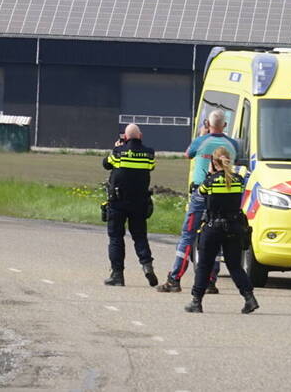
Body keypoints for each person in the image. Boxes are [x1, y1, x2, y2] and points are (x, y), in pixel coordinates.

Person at [156, 109, 239, 293]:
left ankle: (175, 278)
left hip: (201, 193)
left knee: (188, 236)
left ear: (208, 125)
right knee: (214, 237)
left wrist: (202, 134)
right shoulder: (232, 144)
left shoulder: (202, 141)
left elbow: (188, 154)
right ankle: (210, 281)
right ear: (225, 125)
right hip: (222, 195)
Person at [184, 146, 259, 314]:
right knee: (234, 266)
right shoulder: (239, 180)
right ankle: (249, 298)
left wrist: (210, 175)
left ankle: (196, 301)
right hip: (233, 227)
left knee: (204, 265)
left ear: (213, 161)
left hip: (213, 228)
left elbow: (201, 194)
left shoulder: (210, 182)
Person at [101, 123, 158, 287]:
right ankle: (147, 266)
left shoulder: (119, 153)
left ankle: (117, 274)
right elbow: (151, 167)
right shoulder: (149, 153)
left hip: (118, 202)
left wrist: (117, 148)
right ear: (140, 136)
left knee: (116, 237)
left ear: (125, 138)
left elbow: (106, 164)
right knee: (140, 236)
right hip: (139, 202)